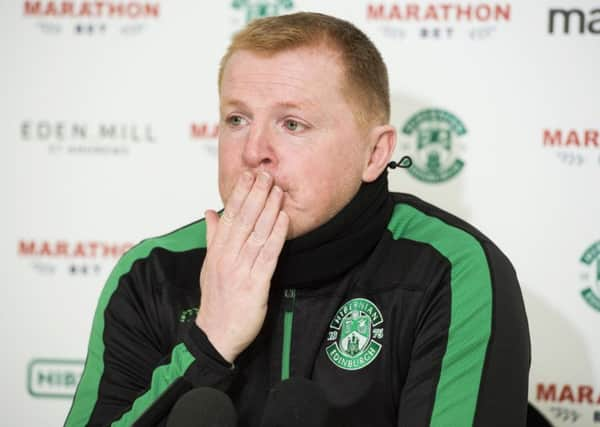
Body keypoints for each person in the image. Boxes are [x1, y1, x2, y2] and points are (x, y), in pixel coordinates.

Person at [66, 12, 530, 427]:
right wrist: (209, 343)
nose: (252, 152)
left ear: (375, 153)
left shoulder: (450, 271)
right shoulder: (152, 272)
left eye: (292, 124)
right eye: (237, 120)